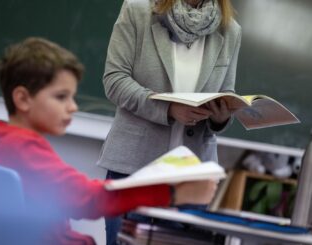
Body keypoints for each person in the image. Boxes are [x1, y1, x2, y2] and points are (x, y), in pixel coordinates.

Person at [0, 37, 218, 245]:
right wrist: (173, 193)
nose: (73, 107)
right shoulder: (24, 148)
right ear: (23, 99)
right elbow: (86, 198)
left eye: (73, 97)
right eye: (61, 97)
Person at [98, 0, 242, 244]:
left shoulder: (230, 29)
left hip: (193, 175)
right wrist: (167, 109)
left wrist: (220, 118)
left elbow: (226, 91)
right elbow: (115, 80)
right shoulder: (138, 11)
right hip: (133, 167)